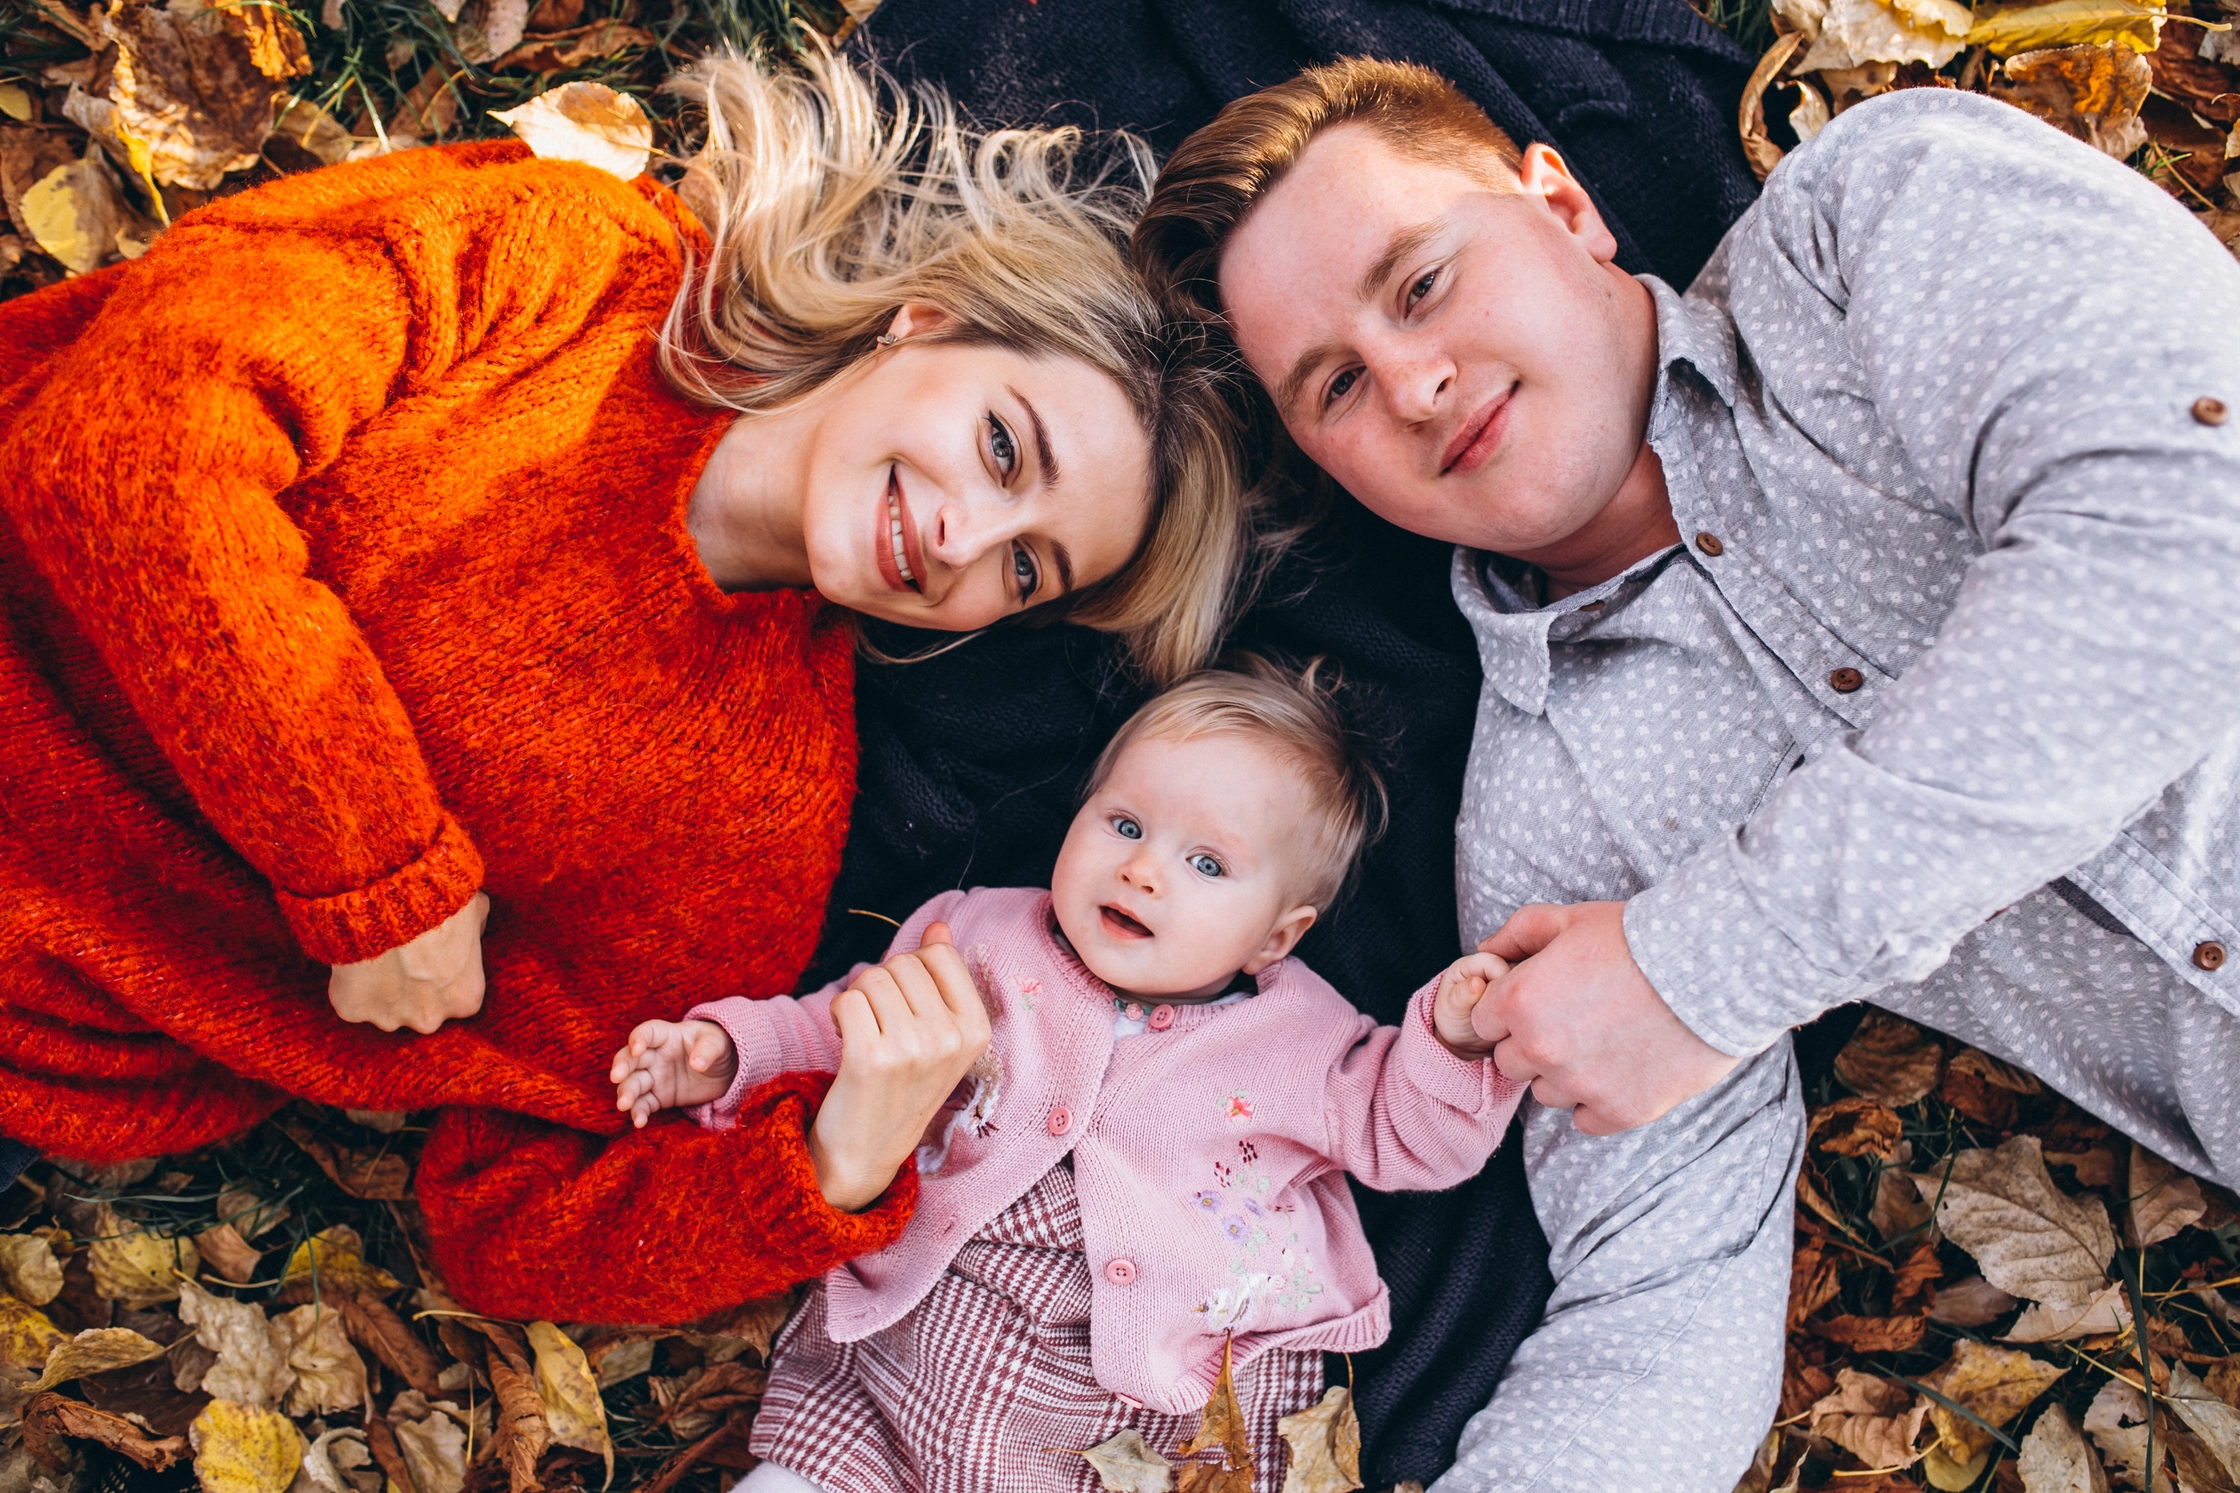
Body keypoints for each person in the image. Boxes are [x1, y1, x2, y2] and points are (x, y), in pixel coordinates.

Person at [0, 46, 1251, 1324]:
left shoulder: (759, 802)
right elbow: (127, 448)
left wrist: (831, 1161)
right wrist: (375, 871)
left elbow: (520, 1217)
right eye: (1000, 446)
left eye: (1027, 568)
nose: (964, 540)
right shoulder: (574, 260)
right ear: (922, 318)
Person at [1133, 57, 2240, 1491]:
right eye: (1334, 385)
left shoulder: (1872, 226)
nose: (1412, 384)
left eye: (1421, 284)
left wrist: (1704, 961)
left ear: (1565, 204)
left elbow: (2190, 524)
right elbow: (1662, 1296)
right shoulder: (1552, 816)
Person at [610, 658, 1523, 1492]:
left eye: (1206, 863)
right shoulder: (975, 934)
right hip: (917, 1344)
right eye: (1125, 823)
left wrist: (1452, 1039)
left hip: (1149, 1398)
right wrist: (733, 1052)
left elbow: (1407, 1135)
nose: (1142, 869)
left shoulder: (1305, 1038)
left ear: (1278, 934)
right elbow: (849, 1022)